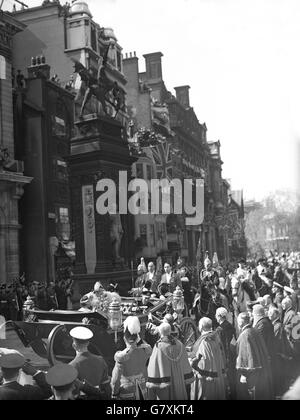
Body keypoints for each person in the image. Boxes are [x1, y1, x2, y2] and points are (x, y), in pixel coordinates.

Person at [147, 323, 194, 400]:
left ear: (160, 333)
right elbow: (185, 363)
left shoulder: (159, 347)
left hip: (165, 380)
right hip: (179, 380)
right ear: (170, 331)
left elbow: (153, 366)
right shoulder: (180, 344)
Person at [111, 317, 152, 400]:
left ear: (124, 338)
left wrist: (114, 393)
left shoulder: (121, 356)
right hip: (143, 389)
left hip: (127, 392)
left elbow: (115, 380)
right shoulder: (146, 350)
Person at [236, 312, 274, 400]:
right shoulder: (255, 331)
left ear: (241, 322)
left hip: (252, 374)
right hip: (262, 371)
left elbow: (245, 356)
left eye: (238, 322)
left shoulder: (244, 335)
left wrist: (243, 375)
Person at [190, 317, 226, 400]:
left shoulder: (204, 341)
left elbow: (201, 360)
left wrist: (191, 364)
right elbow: (223, 355)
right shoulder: (216, 338)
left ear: (201, 327)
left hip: (206, 379)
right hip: (218, 373)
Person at [69, 326, 111, 398]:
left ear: (74, 345)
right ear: (88, 343)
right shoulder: (101, 360)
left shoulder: (71, 366)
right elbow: (106, 388)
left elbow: (73, 394)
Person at [215, 307, 236, 399]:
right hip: (232, 354)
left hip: (224, 356)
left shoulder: (219, 330)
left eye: (216, 315)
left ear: (219, 316)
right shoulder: (230, 326)